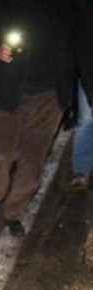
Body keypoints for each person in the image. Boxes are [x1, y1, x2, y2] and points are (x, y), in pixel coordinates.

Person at [0, 0, 76, 237]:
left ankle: (14, 212)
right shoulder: (1, 5)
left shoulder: (68, 7)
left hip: (50, 98)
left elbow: (81, 45)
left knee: (33, 159)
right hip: (10, 92)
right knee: (1, 153)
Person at [69, 0, 93, 190]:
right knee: (86, 121)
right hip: (89, 73)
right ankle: (81, 170)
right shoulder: (83, 8)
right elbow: (81, 48)